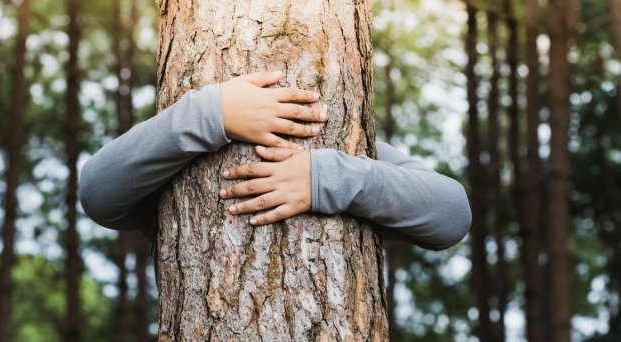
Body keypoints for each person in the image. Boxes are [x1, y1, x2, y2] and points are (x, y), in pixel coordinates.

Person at [79, 71, 471, 251]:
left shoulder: (350, 147)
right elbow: (97, 192)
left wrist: (326, 177)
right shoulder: (173, 157)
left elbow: (452, 214)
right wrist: (212, 114)